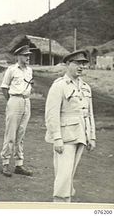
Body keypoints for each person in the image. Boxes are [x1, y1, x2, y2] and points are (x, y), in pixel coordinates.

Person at [45, 50, 96, 203]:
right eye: (77, 63)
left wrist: (92, 136)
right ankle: (59, 206)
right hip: (65, 136)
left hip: (80, 134)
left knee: (69, 175)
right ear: (67, 64)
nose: (81, 67)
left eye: (83, 64)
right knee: (63, 175)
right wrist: (57, 138)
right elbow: (51, 114)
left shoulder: (86, 87)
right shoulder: (59, 86)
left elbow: (89, 114)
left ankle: (66, 205)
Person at [0, 45, 34, 177]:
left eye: (28, 55)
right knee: (10, 134)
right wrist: (11, 101)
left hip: (26, 101)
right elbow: (4, 87)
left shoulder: (29, 70)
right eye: (25, 55)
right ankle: (5, 163)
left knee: (21, 134)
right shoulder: (11, 70)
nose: (28, 57)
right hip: (15, 100)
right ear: (19, 56)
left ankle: (19, 164)